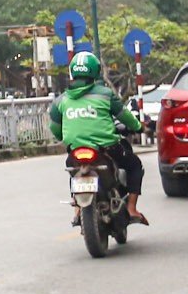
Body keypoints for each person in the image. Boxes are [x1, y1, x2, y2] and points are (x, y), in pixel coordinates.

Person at [47, 51, 148, 224]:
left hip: (76, 150)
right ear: (96, 72)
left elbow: (55, 129)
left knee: (73, 172)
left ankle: (78, 210)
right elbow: (125, 117)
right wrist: (139, 127)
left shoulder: (61, 100)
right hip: (107, 148)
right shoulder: (105, 94)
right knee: (134, 165)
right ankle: (131, 209)